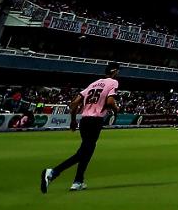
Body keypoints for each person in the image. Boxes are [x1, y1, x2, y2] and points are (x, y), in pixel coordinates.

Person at [42, 63, 120, 193]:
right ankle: (53, 172)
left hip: (84, 120)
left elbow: (74, 103)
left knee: (87, 150)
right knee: (84, 152)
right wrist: (117, 110)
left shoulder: (93, 84)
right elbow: (110, 102)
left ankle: (78, 181)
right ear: (115, 72)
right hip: (96, 120)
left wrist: (73, 120)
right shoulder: (113, 82)